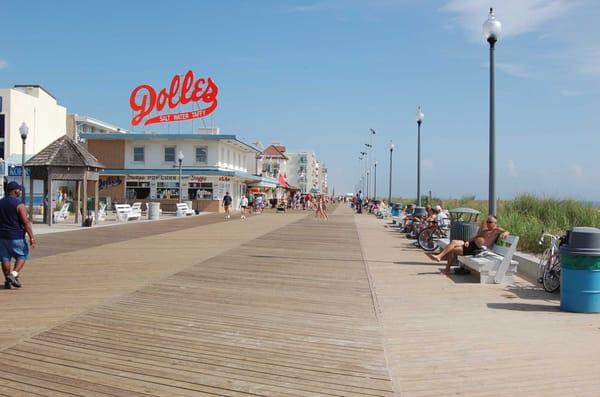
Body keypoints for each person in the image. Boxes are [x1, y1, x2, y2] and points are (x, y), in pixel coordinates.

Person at [430, 215, 509, 275]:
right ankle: (439, 257)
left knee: (452, 250)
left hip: (476, 249)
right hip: (471, 244)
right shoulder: (485, 230)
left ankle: (446, 268)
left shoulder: (496, 230)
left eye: (490, 222)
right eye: (487, 222)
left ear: (495, 223)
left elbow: (506, 231)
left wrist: (505, 233)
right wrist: (468, 241)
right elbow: (475, 237)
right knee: (453, 242)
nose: (488, 223)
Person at [0, 182, 36, 289]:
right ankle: (14, 274)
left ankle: (8, 280)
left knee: (5, 259)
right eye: (19, 190)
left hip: (2, 236)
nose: (20, 191)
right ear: (15, 191)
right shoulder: (19, 204)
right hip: (16, 236)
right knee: (22, 255)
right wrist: (31, 237)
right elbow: (26, 222)